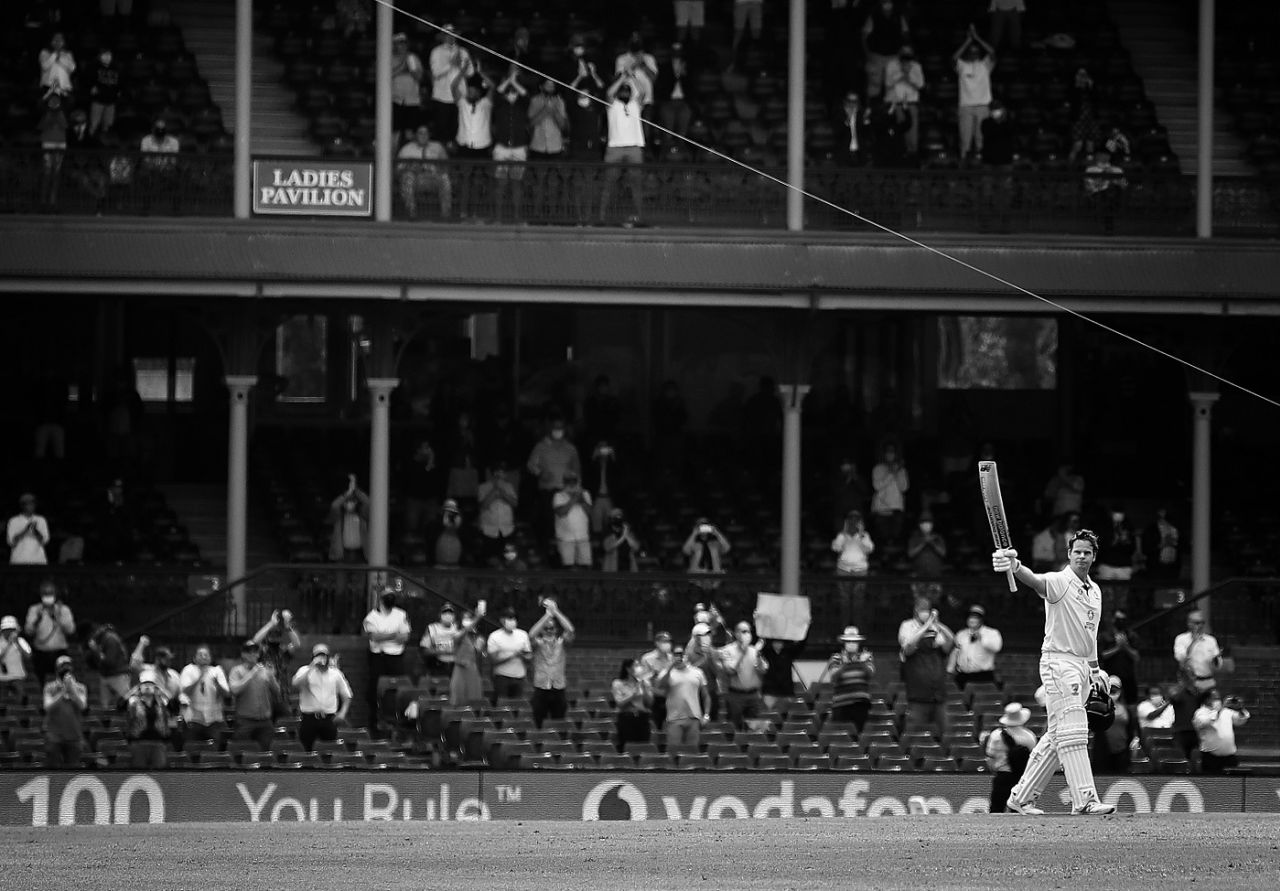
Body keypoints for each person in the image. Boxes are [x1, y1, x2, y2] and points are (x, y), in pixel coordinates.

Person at [993, 529, 1119, 815]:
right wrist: (1015, 566)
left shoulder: (1095, 591)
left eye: (1087, 552)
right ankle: (1085, 800)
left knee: (1056, 736)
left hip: (1081, 665)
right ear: (1069, 554)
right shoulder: (1061, 582)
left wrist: (1096, 669)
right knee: (1075, 731)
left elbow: (1091, 635)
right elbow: (1036, 581)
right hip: (1058, 662)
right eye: (1077, 552)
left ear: (1094, 556)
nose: (1082, 556)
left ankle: (1021, 797)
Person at [898, 598, 954, 739]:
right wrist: (927, 625)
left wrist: (936, 623)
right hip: (918, 697)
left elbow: (951, 640)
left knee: (945, 736)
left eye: (927, 609)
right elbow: (909, 645)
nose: (925, 612)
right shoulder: (907, 625)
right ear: (916, 610)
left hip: (938, 696)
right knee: (915, 736)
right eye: (922, 609)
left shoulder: (936, 629)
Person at [362, 588, 411, 732]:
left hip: (396, 658)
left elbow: (405, 637)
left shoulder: (401, 614)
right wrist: (395, 634)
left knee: (397, 690)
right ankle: (374, 724)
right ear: (381, 599)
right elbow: (374, 637)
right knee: (374, 691)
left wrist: (384, 636)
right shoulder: (371, 617)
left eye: (392, 596)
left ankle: (395, 723)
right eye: (387, 596)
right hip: (379, 657)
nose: (390, 599)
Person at [599, 74, 645, 226]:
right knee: (609, 183)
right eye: (622, 90)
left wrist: (631, 78)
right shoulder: (612, 104)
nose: (625, 93)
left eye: (627, 90)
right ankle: (602, 217)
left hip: (634, 148)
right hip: (614, 148)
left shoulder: (635, 104)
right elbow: (609, 93)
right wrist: (621, 79)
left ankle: (639, 217)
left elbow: (643, 92)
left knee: (636, 184)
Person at [291, 643, 352, 752]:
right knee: (307, 750)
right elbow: (295, 684)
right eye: (318, 655)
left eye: (324, 655)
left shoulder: (336, 674)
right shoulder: (305, 670)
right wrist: (311, 666)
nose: (322, 658)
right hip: (309, 718)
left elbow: (346, 695)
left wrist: (342, 712)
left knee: (330, 750)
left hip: (328, 718)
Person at [529, 599, 575, 727]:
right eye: (546, 628)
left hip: (558, 687)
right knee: (538, 722)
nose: (549, 630)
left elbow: (570, 630)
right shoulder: (538, 643)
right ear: (543, 630)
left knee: (559, 723)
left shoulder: (562, 643)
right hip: (541, 687)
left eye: (552, 628)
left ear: (556, 630)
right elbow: (531, 634)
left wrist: (556, 612)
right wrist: (547, 615)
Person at [654, 646, 710, 750]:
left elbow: (706, 696)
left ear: (686, 655)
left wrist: (706, 715)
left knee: (692, 752)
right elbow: (660, 685)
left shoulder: (698, 672)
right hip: (674, 719)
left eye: (681, 654)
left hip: (694, 718)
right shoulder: (667, 672)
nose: (679, 657)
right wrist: (671, 667)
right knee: (674, 751)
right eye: (676, 654)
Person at [984, 702, 1036, 813]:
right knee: (1019, 810)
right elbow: (1034, 760)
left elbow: (990, 758)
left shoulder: (996, 735)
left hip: (1002, 777)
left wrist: (995, 771)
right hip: (1021, 779)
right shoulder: (1029, 736)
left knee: (996, 808)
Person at [953, 26, 996, 160]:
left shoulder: (985, 65)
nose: (974, 54)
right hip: (965, 106)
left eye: (976, 52)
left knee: (981, 140)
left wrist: (977, 38)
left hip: (983, 106)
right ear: (967, 53)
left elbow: (992, 52)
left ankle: (982, 166)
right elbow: (954, 58)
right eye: (971, 52)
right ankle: (964, 166)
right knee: (965, 140)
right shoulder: (962, 66)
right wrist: (967, 41)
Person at [227, 640, 279, 751]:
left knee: (266, 755)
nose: (253, 655)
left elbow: (277, 692)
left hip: (265, 721)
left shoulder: (265, 671)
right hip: (245, 721)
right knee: (242, 753)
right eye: (249, 652)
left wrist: (272, 677)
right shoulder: (236, 671)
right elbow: (235, 690)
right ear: (243, 655)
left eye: (255, 652)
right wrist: (252, 673)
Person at [716, 620, 768, 728]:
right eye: (743, 631)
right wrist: (743, 653)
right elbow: (730, 671)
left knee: (754, 731)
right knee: (734, 729)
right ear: (736, 634)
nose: (746, 634)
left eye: (748, 632)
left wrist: (758, 655)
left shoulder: (754, 650)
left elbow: (763, 670)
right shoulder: (727, 650)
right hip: (735, 696)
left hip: (753, 696)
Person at [123, 668, 177, 769]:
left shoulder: (162, 702)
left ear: (155, 687)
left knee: (159, 774)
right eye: (144, 684)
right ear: (140, 687)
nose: (147, 686)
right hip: (138, 742)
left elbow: (175, 707)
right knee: (139, 774)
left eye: (150, 684)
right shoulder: (133, 702)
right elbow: (120, 706)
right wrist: (132, 691)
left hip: (159, 743)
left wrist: (163, 691)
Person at [396, 124, 452, 220]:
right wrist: (410, 167)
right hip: (416, 180)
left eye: (426, 133)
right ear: (415, 135)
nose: (423, 135)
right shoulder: (407, 149)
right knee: (408, 177)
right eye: (420, 133)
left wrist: (437, 168)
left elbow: (447, 166)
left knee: (444, 178)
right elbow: (398, 169)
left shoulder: (437, 147)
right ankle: (411, 213)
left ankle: (446, 215)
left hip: (433, 178)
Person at [824, 626, 875, 731]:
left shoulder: (866, 657)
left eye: (854, 641)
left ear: (859, 643)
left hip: (861, 704)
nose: (851, 644)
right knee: (841, 737)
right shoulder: (836, 658)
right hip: (841, 704)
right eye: (848, 641)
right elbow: (833, 676)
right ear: (844, 643)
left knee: (859, 735)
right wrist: (845, 664)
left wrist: (861, 663)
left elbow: (870, 674)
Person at [428, 25, 472, 143]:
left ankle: (456, 158)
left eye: (452, 33)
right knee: (441, 132)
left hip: (460, 97)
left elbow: (471, 72)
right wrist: (451, 64)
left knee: (458, 130)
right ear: (443, 36)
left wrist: (461, 66)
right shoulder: (436, 52)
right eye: (447, 34)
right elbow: (436, 73)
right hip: (441, 97)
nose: (450, 36)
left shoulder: (463, 52)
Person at [179, 643, 229, 746]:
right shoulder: (188, 670)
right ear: (194, 658)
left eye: (206, 655)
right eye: (200, 654)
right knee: (192, 749)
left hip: (214, 720)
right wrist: (200, 677)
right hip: (194, 719)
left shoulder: (217, 670)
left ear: (210, 658)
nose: (204, 657)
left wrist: (217, 684)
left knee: (215, 751)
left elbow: (227, 694)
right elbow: (185, 691)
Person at [24, 581, 74, 683]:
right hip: (40, 652)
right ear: (41, 595)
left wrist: (58, 616)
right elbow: (28, 631)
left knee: (64, 682)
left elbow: (71, 630)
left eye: (50, 594)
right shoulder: (34, 609)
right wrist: (37, 620)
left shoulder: (63, 609)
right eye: (45, 594)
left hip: (60, 651)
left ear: (55, 595)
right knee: (41, 681)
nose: (48, 597)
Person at [42, 654, 87, 767]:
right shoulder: (50, 687)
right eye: (62, 666)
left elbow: (82, 705)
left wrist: (72, 689)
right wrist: (63, 691)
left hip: (74, 737)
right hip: (54, 737)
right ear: (57, 669)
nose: (65, 669)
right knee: (54, 772)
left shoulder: (80, 687)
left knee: (72, 773)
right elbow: (47, 707)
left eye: (68, 665)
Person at [1193, 689, 1250, 774]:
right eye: (1215, 698)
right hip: (1211, 758)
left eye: (1218, 698)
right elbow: (1205, 722)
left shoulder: (1226, 712)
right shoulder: (1200, 712)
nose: (1218, 701)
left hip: (1229, 757)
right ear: (1206, 699)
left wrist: (1239, 708)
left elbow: (1241, 719)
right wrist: (1221, 709)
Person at [949, 604, 1003, 689]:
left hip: (983, 676)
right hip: (963, 675)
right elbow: (956, 651)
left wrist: (981, 637)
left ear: (981, 620)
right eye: (970, 617)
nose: (972, 619)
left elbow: (996, 647)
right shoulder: (961, 634)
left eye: (976, 617)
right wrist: (950, 668)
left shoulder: (992, 633)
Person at [1092, 674, 1137, 775]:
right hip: (1102, 751)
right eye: (1110, 688)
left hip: (1122, 751)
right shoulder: (1098, 707)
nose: (1113, 692)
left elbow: (1131, 728)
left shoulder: (1127, 709)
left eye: (1115, 689)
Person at [486, 608, 532, 702]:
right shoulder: (494, 636)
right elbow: (493, 660)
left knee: (518, 704)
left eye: (513, 618)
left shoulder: (523, 635)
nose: (511, 621)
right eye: (508, 618)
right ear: (502, 620)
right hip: (502, 677)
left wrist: (522, 656)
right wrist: (512, 656)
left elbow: (529, 656)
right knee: (502, 705)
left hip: (519, 678)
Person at [1098, 609, 1141, 706]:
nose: (1121, 622)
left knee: (1131, 702)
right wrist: (1117, 648)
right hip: (1110, 675)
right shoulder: (1105, 636)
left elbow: (1136, 657)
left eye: (1123, 619)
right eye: (1118, 619)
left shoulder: (1131, 635)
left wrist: (1125, 647)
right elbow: (1102, 655)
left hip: (1128, 675)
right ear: (1113, 620)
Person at [870, 443, 910, 546]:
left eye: (892, 452)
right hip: (881, 508)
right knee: (883, 540)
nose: (890, 455)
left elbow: (904, 488)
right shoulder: (878, 468)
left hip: (897, 508)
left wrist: (898, 472)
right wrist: (892, 473)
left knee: (896, 539)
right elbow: (877, 486)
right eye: (888, 452)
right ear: (884, 454)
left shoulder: (902, 469)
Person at [552, 471, 594, 568]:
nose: (571, 484)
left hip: (583, 536)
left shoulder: (585, 494)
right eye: (568, 481)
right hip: (565, 538)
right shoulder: (558, 495)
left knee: (586, 566)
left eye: (573, 481)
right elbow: (561, 513)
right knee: (568, 567)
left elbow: (590, 512)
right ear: (564, 482)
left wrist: (582, 500)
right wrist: (573, 499)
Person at [1173, 609, 1221, 693]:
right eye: (1197, 623)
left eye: (1202, 623)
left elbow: (1218, 665)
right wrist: (1193, 642)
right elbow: (1180, 657)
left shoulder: (1211, 640)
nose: (1200, 626)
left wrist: (1216, 659)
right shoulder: (1181, 639)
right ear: (1189, 623)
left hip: (1207, 681)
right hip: (1188, 683)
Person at [612, 658, 653, 751]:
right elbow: (620, 703)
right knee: (627, 748)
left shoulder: (645, 683)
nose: (639, 668)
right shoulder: (618, 683)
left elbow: (649, 703)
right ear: (628, 668)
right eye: (636, 665)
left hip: (642, 718)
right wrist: (633, 694)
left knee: (643, 748)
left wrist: (644, 687)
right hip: (626, 718)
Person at [390, 32, 425, 140]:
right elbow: (386, 76)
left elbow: (419, 78)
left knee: (410, 131)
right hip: (396, 99)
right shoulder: (389, 58)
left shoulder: (413, 58)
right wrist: (402, 66)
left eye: (404, 43)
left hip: (412, 100)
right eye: (398, 43)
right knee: (395, 131)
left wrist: (411, 69)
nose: (402, 46)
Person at [327, 475, 370, 562]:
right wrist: (348, 493)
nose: (349, 504)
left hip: (360, 555)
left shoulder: (363, 516)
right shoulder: (338, 517)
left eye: (352, 501)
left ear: (356, 503)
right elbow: (334, 505)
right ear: (344, 503)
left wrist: (355, 490)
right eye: (347, 501)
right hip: (341, 556)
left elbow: (368, 503)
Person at [449, 606, 487, 704]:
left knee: (474, 700)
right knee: (458, 699)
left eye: (470, 618)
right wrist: (477, 617)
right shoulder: (457, 634)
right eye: (465, 618)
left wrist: (479, 647)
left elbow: (480, 654)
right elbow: (460, 635)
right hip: (460, 670)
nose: (468, 621)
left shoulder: (478, 637)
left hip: (473, 670)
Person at [638, 631, 675, 730]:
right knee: (655, 726)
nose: (667, 644)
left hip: (671, 697)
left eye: (668, 641)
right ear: (657, 643)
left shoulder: (673, 658)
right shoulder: (647, 658)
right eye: (664, 641)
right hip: (654, 698)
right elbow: (643, 679)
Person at [419, 604, 459, 685]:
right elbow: (425, 650)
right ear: (440, 615)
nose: (448, 615)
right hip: (437, 666)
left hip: (455, 667)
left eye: (450, 613)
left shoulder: (458, 629)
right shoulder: (432, 628)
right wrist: (442, 651)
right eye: (445, 613)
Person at [8, 493, 50, 564]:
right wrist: (25, 530)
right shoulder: (13, 521)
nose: (31, 506)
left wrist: (35, 530)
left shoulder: (41, 520)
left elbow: (45, 541)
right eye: (28, 504)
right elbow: (11, 542)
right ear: (22, 506)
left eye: (33, 503)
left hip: (38, 560)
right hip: (18, 561)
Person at [0, 615, 33, 701]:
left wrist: (17, 642)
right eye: (7, 629)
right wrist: (8, 644)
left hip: (18, 676)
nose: (9, 632)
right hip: (1, 677)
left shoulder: (21, 641)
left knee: (22, 697)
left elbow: (28, 655)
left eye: (12, 629)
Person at [833, 510, 874, 576]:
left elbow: (869, 549)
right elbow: (836, 548)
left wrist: (861, 535)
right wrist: (844, 533)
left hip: (860, 569)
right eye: (851, 520)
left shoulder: (865, 535)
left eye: (856, 520)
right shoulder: (841, 535)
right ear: (847, 522)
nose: (853, 522)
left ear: (860, 522)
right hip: (843, 569)